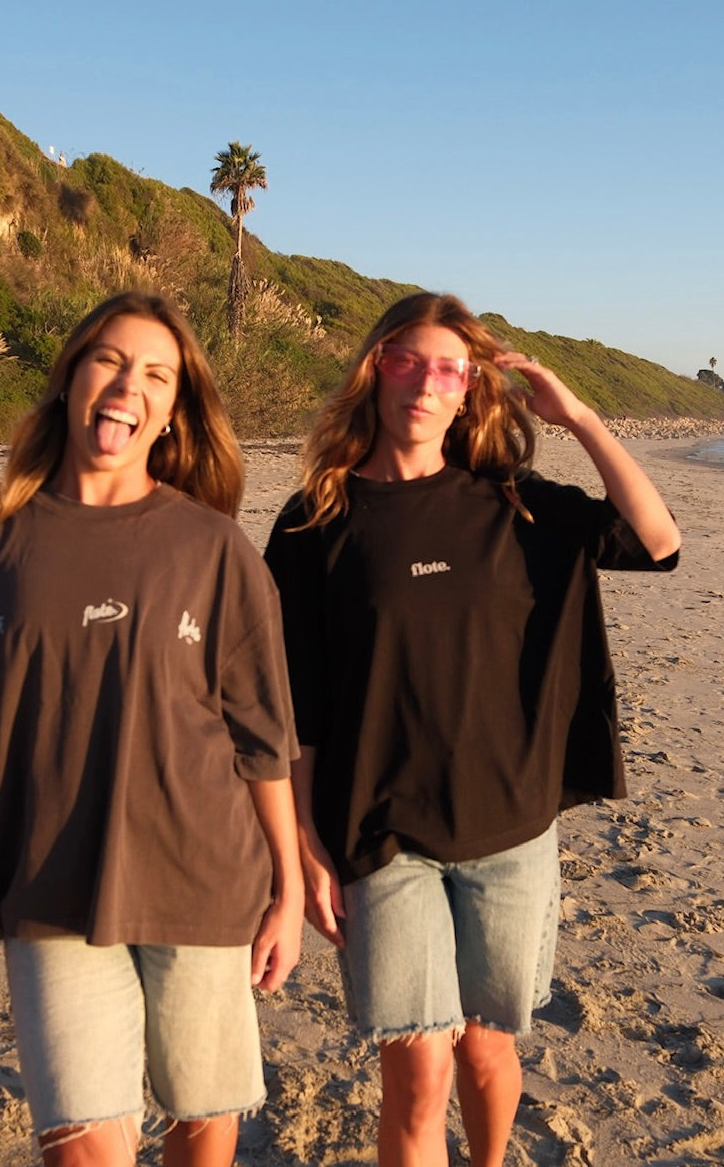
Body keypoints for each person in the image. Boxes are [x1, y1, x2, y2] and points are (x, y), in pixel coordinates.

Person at [0, 292, 303, 1167]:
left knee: (202, 1119)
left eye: (157, 374)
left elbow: (263, 738)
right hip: (46, 882)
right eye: (110, 360)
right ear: (72, 377)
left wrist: (290, 889)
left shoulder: (214, 548)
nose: (127, 386)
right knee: (78, 1148)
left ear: (175, 412)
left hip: (202, 879)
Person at [263, 292, 680, 1167]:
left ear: (469, 393)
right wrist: (302, 841)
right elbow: (292, 700)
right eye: (407, 360)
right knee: (415, 1072)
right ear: (376, 370)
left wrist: (580, 418)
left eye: (448, 368)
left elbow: (655, 542)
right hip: (380, 834)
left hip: (509, 828)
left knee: (487, 1049)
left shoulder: (517, 505)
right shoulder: (313, 523)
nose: (425, 382)